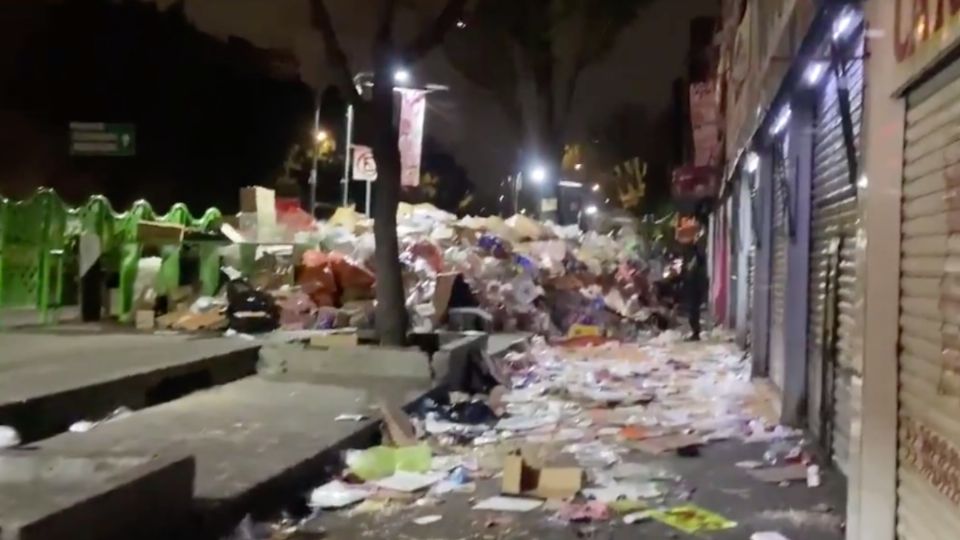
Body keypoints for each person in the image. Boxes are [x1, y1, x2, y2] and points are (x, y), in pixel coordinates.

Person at [680, 221, 708, 341]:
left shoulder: (696, 253)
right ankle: (695, 332)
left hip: (695, 284)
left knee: (693, 310)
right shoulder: (693, 253)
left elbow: (695, 266)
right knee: (692, 310)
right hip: (693, 283)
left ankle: (695, 333)